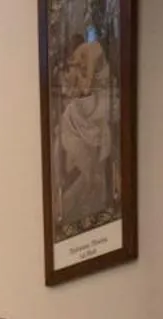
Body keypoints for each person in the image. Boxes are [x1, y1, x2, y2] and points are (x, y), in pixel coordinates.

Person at [53, 21, 117, 235]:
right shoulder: (83, 57)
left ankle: (88, 180)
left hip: (100, 105)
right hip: (88, 108)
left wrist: (81, 83)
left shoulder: (92, 52)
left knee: (73, 116)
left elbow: (88, 84)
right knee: (69, 121)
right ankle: (81, 180)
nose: (75, 63)